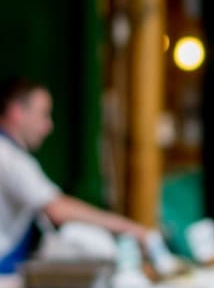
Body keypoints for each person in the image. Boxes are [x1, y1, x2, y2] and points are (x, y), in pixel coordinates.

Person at [0, 77, 152, 273]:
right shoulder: (9, 158)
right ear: (17, 112)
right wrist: (132, 229)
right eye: (42, 115)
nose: (48, 126)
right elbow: (57, 208)